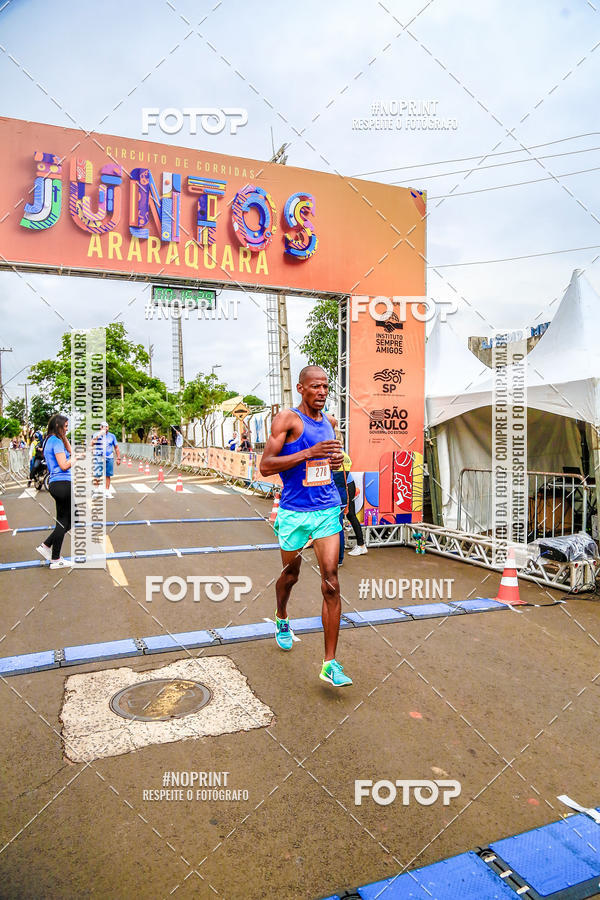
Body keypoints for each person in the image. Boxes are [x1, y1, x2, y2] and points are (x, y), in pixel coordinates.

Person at [259, 365, 352, 687]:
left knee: (331, 581)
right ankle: (282, 617)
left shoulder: (331, 422)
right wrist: (308, 452)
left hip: (325, 508)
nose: (322, 392)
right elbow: (266, 466)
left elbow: (328, 460)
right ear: (301, 388)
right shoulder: (288, 420)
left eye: (326, 386)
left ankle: (330, 663)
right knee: (291, 575)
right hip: (294, 511)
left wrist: (336, 461)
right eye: (315, 387)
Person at [36, 414, 72, 568]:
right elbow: (64, 465)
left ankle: (46, 547)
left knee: (67, 521)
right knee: (65, 521)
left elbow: (69, 450)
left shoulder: (51, 440)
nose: (67, 429)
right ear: (58, 427)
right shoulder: (55, 441)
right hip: (62, 483)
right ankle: (55, 559)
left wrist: (64, 438)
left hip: (57, 484)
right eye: (65, 426)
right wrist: (78, 458)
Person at [342, 452, 368, 556]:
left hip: (347, 485)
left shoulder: (338, 454)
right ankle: (361, 545)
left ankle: (361, 545)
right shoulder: (342, 453)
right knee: (350, 515)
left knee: (351, 515)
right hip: (348, 485)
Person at [91, 422, 121, 497]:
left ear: (108, 427)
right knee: (97, 474)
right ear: (100, 428)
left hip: (109, 457)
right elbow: (91, 444)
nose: (105, 428)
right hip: (98, 456)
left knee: (108, 474)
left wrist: (118, 458)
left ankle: (107, 491)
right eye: (103, 427)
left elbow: (116, 447)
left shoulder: (112, 436)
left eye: (106, 427)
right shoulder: (96, 434)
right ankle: (96, 490)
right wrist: (99, 435)